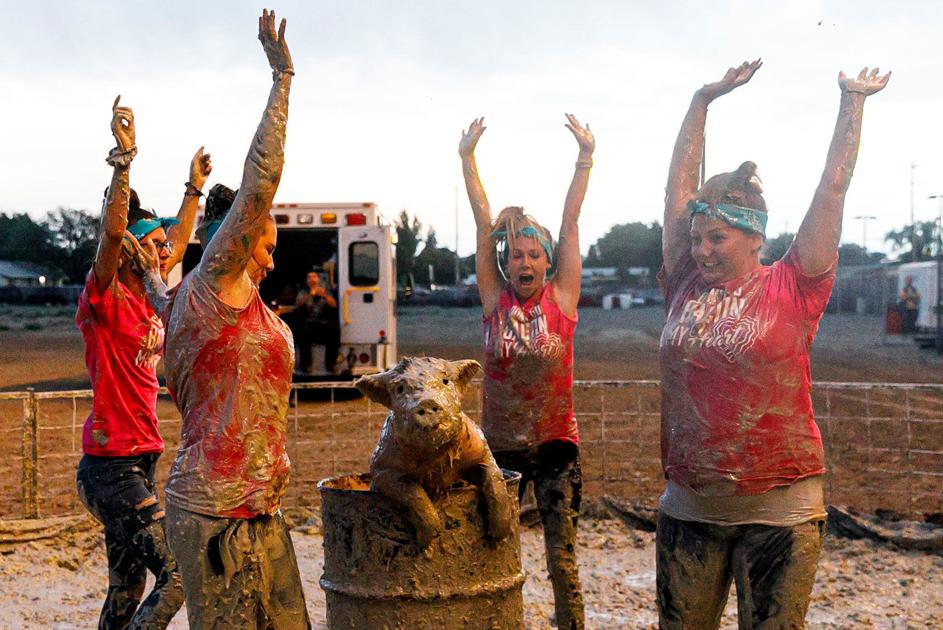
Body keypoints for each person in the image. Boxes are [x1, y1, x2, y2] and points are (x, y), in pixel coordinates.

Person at [657, 61, 890, 629]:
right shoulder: (684, 280)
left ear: (755, 235)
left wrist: (852, 103)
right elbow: (677, 190)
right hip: (688, 508)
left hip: (780, 514)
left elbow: (832, 189)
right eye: (696, 238)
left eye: (718, 237)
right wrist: (699, 102)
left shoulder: (794, 283)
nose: (703, 250)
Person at [158, 11, 310, 629]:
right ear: (240, 237)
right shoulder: (210, 289)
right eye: (265, 242)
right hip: (211, 511)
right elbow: (258, 185)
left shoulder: (243, 307)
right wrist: (283, 80)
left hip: (261, 509)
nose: (270, 257)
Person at [75, 95, 211, 629]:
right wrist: (124, 161)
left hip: (144, 459)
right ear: (131, 251)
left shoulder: (150, 292)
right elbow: (112, 235)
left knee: (128, 584)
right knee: (177, 575)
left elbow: (177, 238)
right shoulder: (105, 297)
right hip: (110, 468)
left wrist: (193, 188)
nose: (164, 252)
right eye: (153, 245)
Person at [459, 114, 594, 630]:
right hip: (501, 451)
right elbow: (480, 221)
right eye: (516, 254)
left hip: (558, 446)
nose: (525, 261)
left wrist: (584, 158)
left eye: (534, 254)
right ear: (506, 262)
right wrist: (467, 158)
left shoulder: (563, 297)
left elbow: (571, 222)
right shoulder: (495, 301)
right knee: (494, 558)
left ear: (547, 260)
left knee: (562, 564)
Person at [294, 270, 340, 373]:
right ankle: (306, 366)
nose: (312, 279)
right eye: (309, 277)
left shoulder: (325, 291)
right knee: (302, 334)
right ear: (307, 281)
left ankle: (331, 364)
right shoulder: (303, 292)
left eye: (314, 277)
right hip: (309, 325)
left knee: (334, 332)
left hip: (323, 324)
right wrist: (310, 295)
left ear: (318, 279)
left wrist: (324, 296)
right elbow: (298, 304)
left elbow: (334, 304)